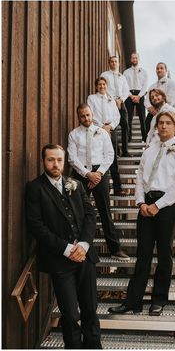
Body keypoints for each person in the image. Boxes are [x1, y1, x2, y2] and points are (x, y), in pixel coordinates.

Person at [108, 111, 175, 316]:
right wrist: (140, 202)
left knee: (164, 254)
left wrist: (158, 205)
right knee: (143, 255)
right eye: (160, 123)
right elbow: (139, 180)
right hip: (146, 204)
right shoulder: (149, 151)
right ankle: (133, 302)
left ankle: (158, 300)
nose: (162, 126)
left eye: (167, 123)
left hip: (166, 205)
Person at [25, 144, 102, 349]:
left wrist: (84, 244)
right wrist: (67, 249)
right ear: (43, 162)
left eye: (59, 159)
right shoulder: (35, 188)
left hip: (85, 256)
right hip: (60, 260)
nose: (55, 164)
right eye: (51, 159)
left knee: (90, 309)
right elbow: (36, 226)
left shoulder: (75, 184)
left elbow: (90, 215)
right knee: (70, 314)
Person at [67, 103, 130, 261]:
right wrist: (88, 174)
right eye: (82, 115)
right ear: (78, 117)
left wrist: (98, 174)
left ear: (92, 114)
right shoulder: (74, 134)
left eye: (88, 115)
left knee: (105, 211)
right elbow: (72, 158)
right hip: (81, 173)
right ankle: (79, 248)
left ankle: (115, 249)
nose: (86, 118)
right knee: (77, 212)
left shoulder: (102, 133)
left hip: (100, 172)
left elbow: (109, 155)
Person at [87, 77, 126, 196]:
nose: (102, 86)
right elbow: (91, 114)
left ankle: (117, 187)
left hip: (111, 130)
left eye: (104, 84)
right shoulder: (92, 98)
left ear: (106, 86)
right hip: (97, 130)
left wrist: (110, 127)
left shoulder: (111, 99)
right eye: (99, 84)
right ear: (96, 86)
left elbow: (117, 116)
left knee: (112, 157)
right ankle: (102, 186)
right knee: (100, 156)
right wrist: (101, 127)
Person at [101, 56, 131, 157]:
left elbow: (126, 90)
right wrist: (113, 100)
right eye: (112, 62)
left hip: (121, 102)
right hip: (109, 102)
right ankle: (116, 151)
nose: (114, 63)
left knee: (125, 125)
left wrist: (120, 100)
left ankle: (125, 151)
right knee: (112, 126)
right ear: (109, 63)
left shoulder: (122, 77)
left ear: (118, 63)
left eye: (115, 62)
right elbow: (104, 89)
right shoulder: (104, 75)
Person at [123, 52, 148, 142]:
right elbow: (124, 86)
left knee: (142, 118)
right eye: (133, 58)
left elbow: (145, 86)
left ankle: (145, 138)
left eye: (136, 58)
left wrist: (139, 96)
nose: (134, 60)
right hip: (129, 95)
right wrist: (131, 95)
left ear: (138, 59)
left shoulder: (144, 72)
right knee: (128, 118)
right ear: (131, 60)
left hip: (140, 95)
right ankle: (128, 138)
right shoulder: (126, 72)